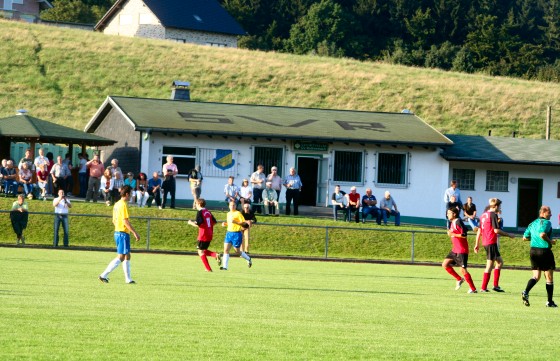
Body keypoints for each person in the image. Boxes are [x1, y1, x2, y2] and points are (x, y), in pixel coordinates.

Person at [99, 185, 140, 284]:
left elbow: (114, 220)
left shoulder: (116, 204)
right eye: (130, 193)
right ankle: (103, 275)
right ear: (127, 194)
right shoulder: (123, 204)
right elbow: (125, 221)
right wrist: (135, 233)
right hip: (122, 233)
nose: (131, 195)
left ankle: (128, 279)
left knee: (127, 255)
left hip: (118, 232)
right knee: (121, 256)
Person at [474, 198, 515, 292]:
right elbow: (496, 230)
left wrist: (477, 244)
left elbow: (479, 230)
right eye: (499, 206)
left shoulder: (483, 215)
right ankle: (483, 288)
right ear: (496, 206)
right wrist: (509, 235)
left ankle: (495, 286)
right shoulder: (493, 215)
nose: (500, 208)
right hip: (491, 242)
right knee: (489, 265)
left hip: (486, 242)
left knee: (499, 262)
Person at [521, 206, 557, 307]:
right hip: (544, 251)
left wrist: (535, 238)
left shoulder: (532, 223)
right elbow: (542, 234)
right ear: (544, 213)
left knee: (536, 276)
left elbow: (525, 238)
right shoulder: (547, 223)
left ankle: (526, 292)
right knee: (549, 277)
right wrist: (551, 242)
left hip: (533, 251)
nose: (551, 215)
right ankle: (549, 301)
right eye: (549, 212)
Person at [442, 208, 477, 293]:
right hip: (455, 250)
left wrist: (452, 234)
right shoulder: (452, 222)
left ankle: (473, 289)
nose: (447, 214)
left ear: (454, 214)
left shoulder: (458, 221)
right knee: (445, 264)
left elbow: (464, 234)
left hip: (461, 250)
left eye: (449, 213)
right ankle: (459, 279)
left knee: (463, 270)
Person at [187, 198, 221, 272]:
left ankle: (208, 268)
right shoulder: (208, 212)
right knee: (203, 250)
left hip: (203, 234)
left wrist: (190, 223)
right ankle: (215, 255)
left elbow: (199, 224)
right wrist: (208, 227)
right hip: (209, 233)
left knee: (200, 252)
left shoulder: (200, 212)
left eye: (196, 203)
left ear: (199, 204)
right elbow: (214, 222)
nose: (195, 205)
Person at [220, 200, 253, 270]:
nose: (232, 206)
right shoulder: (228, 213)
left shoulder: (238, 213)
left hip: (237, 234)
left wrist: (236, 222)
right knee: (226, 250)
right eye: (231, 205)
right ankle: (225, 267)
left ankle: (248, 258)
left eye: (233, 205)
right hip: (229, 233)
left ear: (236, 206)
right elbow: (230, 223)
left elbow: (245, 224)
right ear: (229, 206)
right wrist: (225, 224)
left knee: (237, 251)